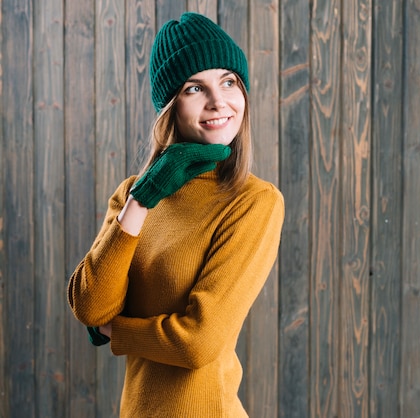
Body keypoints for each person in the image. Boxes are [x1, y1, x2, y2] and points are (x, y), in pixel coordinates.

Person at [67, 12, 284, 417]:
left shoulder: (254, 201)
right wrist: (144, 197)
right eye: (194, 87)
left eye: (229, 81)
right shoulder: (133, 195)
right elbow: (90, 306)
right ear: (170, 104)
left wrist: (115, 331)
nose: (218, 101)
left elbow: (198, 342)